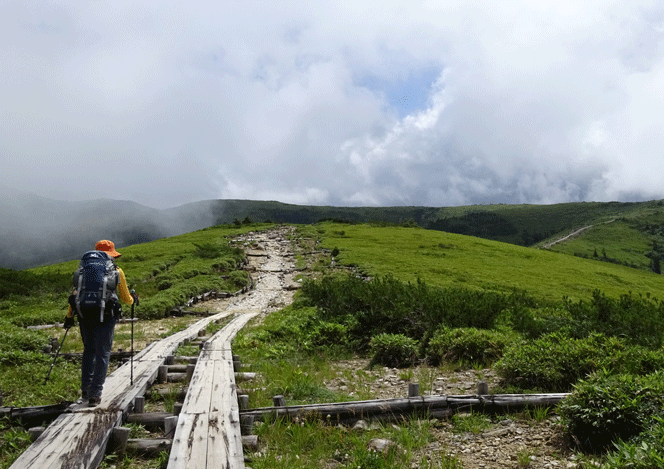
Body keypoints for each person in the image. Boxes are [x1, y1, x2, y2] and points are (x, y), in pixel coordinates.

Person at [63, 240, 138, 406]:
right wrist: (134, 300)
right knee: (102, 353)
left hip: (84, 314)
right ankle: (95, 395)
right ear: (110, 254)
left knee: (88, 350)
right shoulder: (116, 271)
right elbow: (126, 298)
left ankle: (85, 389)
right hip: (106, 315)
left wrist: (69, 317)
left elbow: (75, 296)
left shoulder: (82, 271)